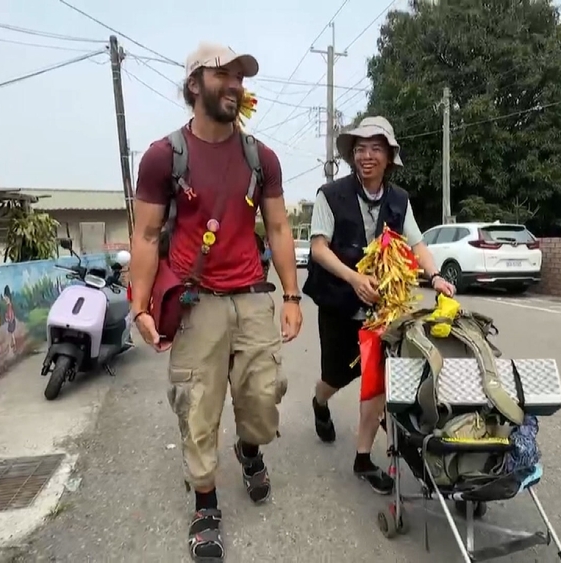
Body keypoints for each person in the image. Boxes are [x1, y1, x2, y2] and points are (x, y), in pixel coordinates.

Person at [128, 42, 303, 563]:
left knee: (263, 403)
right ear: (193, 86)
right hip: (195, 301)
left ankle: (248, 451)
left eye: (239, 77)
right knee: (196, 409)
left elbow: (276, 225)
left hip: (252, 297)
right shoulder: (165, 156)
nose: (234, 84)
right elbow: (146, 232)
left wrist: (291, 295)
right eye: (222, 74)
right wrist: (140, 304)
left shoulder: (260, 157)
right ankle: (206, 502)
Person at [302, 116, 455, 494]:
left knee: (377, 382)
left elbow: (417, 244)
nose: (366, 156)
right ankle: (320, 401)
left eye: (375, 149)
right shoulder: (330, 195)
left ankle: (362, 457)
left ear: (389, 157)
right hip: (338, 302)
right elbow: (319, 247)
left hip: (382, 311)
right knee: (336, 376)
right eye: (360, 149)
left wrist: (435, 276)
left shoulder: (399, 200)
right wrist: (354, 278)